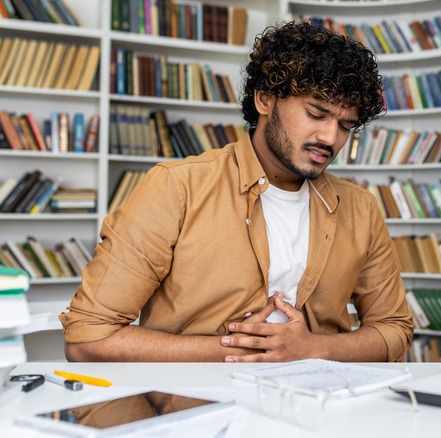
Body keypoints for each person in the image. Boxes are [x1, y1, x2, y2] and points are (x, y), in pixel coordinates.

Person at [59, 21, 414, 363]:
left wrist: (311, 349)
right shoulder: (177, 187)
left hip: (318, 413)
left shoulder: (361, 208)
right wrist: (244, 351)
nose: (330, 138)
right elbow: (88, 337)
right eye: (316, 113)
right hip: (193, 414)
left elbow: (394, 328)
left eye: (345, 125)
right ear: (264, 99)